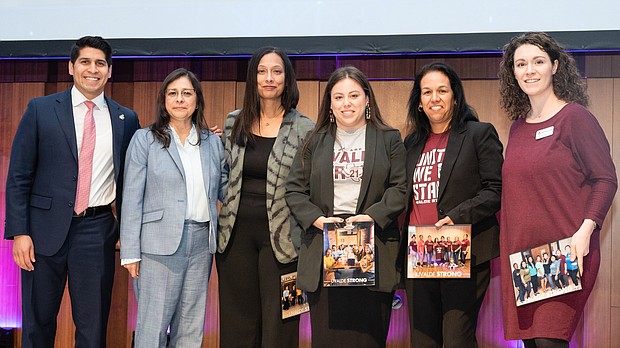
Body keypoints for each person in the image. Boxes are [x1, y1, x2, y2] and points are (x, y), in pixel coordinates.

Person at [3, 36, 140, 348]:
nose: (92, 69)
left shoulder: (126, 119)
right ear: (71, 67)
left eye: (100, 64)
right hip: (40, 235)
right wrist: (19, 232)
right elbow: (19, 175)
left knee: (92, 332)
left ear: (109, 72)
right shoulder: (40, 109)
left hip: (97, 232)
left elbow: (137, 173)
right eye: (85, 62)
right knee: (37, 327)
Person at [499, 32, 617, 347]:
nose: (529, 70)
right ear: (513, 72)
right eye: (520, 64)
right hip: (526, 261)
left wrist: (586, 231)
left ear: (554, 66)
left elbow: (605, 179)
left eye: (538, 62)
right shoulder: (518, 127)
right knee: (536, 343)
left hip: (566, 254)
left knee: (550, 339)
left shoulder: (575, 118)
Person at [286, 65, 406, 347]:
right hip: (324, 251)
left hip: (372, 250)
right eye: (338, 97)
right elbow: (294, 190)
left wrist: (370, 218)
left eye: (353, 95)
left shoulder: (389, 139)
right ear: (330, 103)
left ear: (367, 99)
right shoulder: (314, 141)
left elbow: (400, 189)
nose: (346, 103)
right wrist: (317, 220)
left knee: (369, 338)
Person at [120, 68, 227, 346]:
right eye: (173, 93)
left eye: (187, 93)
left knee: (190, 327)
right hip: (157, 247)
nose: (180, 99)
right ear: (164, 99)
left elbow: (225, 188)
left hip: (202, 244)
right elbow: (131, 198)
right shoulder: (145, 140)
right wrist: (130, 251)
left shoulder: (212, 142)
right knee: (152, 327)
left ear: (196, 100)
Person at [216, 46, 315, 347]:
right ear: (253, 78)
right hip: (235, 240)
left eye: (276, 71)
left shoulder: (305, 128)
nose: (269, 78)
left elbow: (310, 184)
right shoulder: (234, 122)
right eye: (261, 71)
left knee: (284, 323)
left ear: (287, 79)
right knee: (238, 325)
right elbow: (222, 174)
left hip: (288, 243)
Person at [400, 62, 503, 348]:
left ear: (455, 96)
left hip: (462, 251)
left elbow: (496, 190)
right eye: (427, 92)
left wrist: (456, 216)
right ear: (419, 102)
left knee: (457, 339)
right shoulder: (410, 144)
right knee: (423, 341)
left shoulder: (479, 134)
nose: (435, 98)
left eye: (442, 90)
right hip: (419, 254)